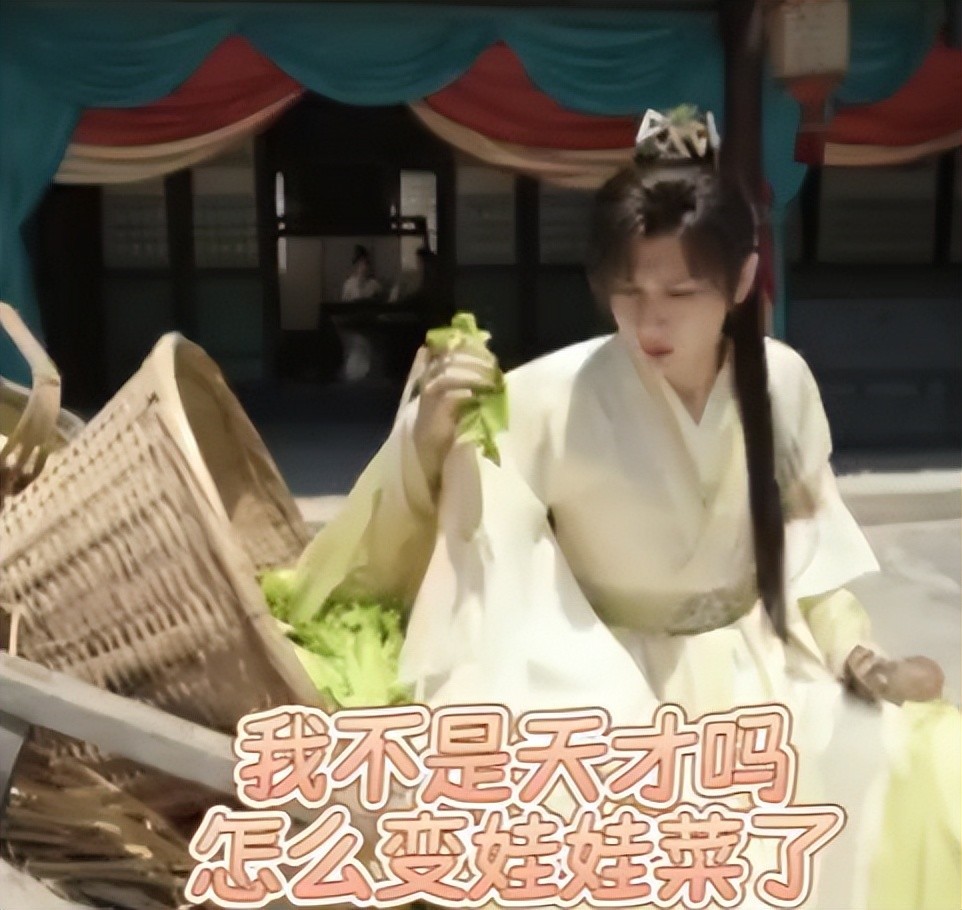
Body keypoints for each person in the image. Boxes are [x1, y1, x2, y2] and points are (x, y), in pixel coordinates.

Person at [318, 110, 960, 909]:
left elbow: (806, 552)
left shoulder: (782, 382)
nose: (650, 320)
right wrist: (427, 437)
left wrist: (857, 654)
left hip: (756, 668)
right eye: (628, 291)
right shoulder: (545, 396)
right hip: (599, 674)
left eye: (681, 292)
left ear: (743, 280)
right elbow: (466, 548)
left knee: (922, 766)